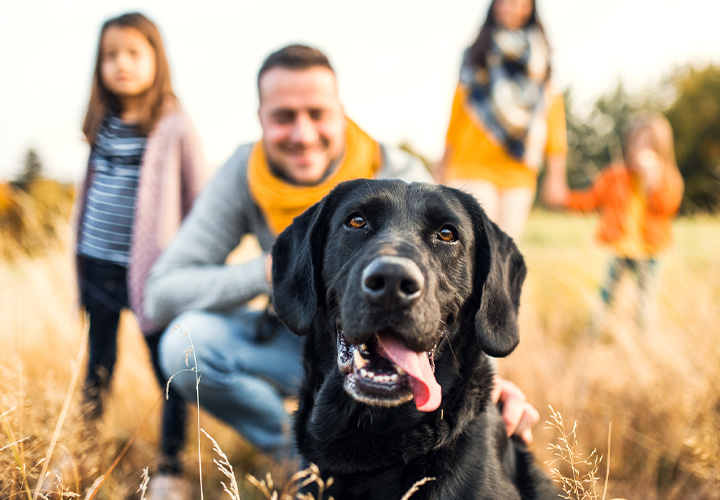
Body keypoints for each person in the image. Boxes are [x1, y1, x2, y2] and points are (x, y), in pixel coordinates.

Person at [144, 44, 541, 471]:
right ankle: (306, 461)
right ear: (260, 119)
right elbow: (161, 294)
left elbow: (453, 287)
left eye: (317, 113)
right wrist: (273, 272)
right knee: (185, 345)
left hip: (393, 339)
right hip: (296, 335)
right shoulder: (244, 173)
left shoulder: (402, 176)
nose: (302, 134)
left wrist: (492, 384)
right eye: (283, 117)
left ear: (341, 112)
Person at [73, 12, 208, 497]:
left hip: (155, 276)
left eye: (133, 53)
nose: (121, 64)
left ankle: (171, 467)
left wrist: (192, 265)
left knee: (169, 367)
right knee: (98, 365)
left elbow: (202, 200)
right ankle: (82, 449)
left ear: (156, 59)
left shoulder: (174, 124)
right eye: (111, 56)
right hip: (97, 264)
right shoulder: (102, 123)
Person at [433, 0, 568, 240]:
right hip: (472, 164)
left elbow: (553, 116)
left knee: (504, 250)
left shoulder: (541, 59)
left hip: (519, 168)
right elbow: (457, 111)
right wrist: (443, 163)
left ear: (530, 7)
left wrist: (556, 176)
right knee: (475, 243)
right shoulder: (476, 52)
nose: (511, 6)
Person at [557, 114, 684, 331]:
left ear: (662, 147)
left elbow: (668, 207)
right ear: (628, 145)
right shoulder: (615, 176)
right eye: (637, 142)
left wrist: (652, 182)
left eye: (649, 143)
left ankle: (644, 335)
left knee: (645, 298)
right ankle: (594, 331)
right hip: (621, 248)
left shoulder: (667, 177)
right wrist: (564, 200)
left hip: (650, 251)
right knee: (607, 293)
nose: (642, 148)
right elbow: (591, 199)